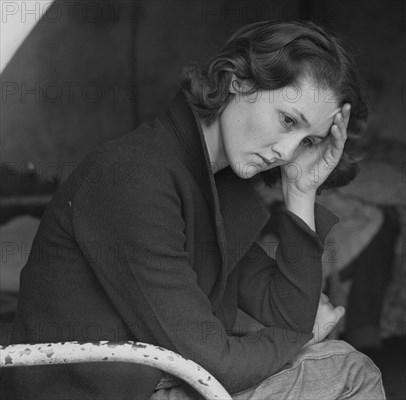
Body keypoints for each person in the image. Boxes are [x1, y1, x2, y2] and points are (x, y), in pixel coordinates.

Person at [2, 20, 386, 399]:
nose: (287, 152)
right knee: (350, 371)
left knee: (336, 360)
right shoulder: (134, 176)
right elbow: (216, 364)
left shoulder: (214, 183)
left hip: (155, 380)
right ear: (240, 81)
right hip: (100, 391)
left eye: (309, 141)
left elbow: (282, 312)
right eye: (288, 120)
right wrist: (299, 337)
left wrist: (302, 191)